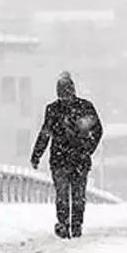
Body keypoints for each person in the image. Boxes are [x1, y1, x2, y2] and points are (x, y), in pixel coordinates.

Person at [30, 71, 103, 239]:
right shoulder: (76, 108)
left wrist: (87, 150)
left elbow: (45, 133)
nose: (65, 97)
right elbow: (45, 133)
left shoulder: (75, 108)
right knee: (67, 194)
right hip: (68, 159)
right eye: (62, 94)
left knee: (74, 195)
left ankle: (74, 225)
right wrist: (36, 154)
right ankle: (65, 224)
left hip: (69, 158)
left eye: (66, 93)